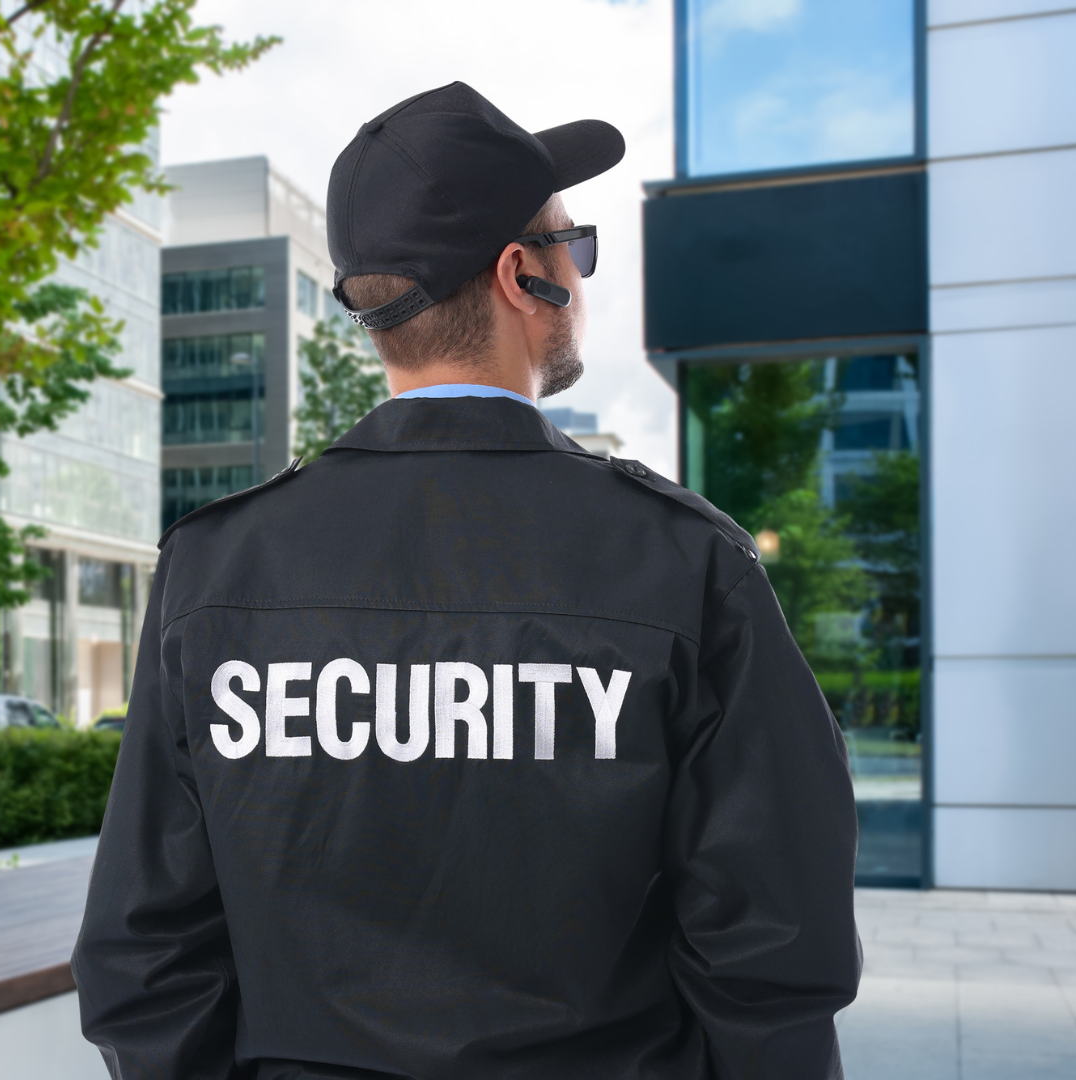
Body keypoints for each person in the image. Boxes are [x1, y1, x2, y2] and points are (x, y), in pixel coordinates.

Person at [73, 82, 860, 1080]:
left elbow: (146, 956)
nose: (579, 272)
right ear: (521, 274)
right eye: (575, 247)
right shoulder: (683, 563)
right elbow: (772, 959)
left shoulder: (219, 565)